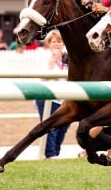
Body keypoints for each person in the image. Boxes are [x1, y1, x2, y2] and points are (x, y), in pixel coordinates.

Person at [35, 30, 69, 159]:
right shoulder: (43, 56)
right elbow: (43, 75)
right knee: (51, 127)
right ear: (48, 44)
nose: (56, 44)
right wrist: (53, 59)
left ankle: (55, 152)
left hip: (64, 99)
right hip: (47, 97)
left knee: (63, 128)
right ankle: (51, 154)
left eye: (59, 41)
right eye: (53, 41)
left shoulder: (67, 57)